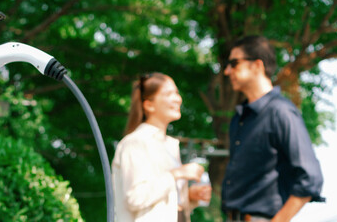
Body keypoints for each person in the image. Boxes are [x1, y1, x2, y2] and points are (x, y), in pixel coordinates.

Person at [221, 35, 325, 222]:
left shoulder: (281, 112)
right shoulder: (239, 118)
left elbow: (310, 178)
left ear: (257, 66)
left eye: (234, 63)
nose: (227, 71)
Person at [112, 72, 211, 222]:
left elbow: (163, 207)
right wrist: (177, 174)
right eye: (168, 94)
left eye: (177, 93)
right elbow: (135, 197)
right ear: (149, 105)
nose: (177, 99)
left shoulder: (170, 145)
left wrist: (190, 197)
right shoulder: (135, 143)